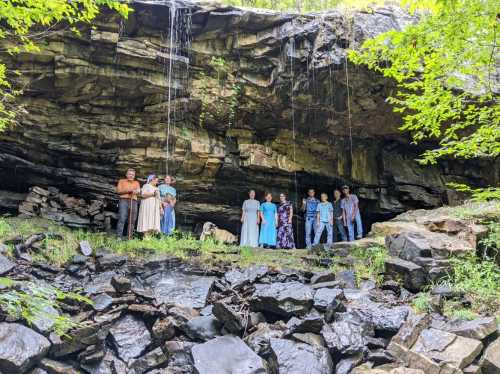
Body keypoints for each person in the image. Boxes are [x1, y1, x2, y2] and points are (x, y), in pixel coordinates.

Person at [116, 169, 141, 239]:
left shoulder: (136, 183)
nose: (131, 176)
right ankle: (119, 237)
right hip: (123, 200)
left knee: (132, 220)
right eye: (130, 174)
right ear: (126, 175)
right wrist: (129, 190)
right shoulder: (121, 181)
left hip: (133, 201)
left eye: (133, 175)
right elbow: (118, 191)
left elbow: (139, 191)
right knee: (122, 218)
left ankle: (129, 237)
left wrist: (137, 191)